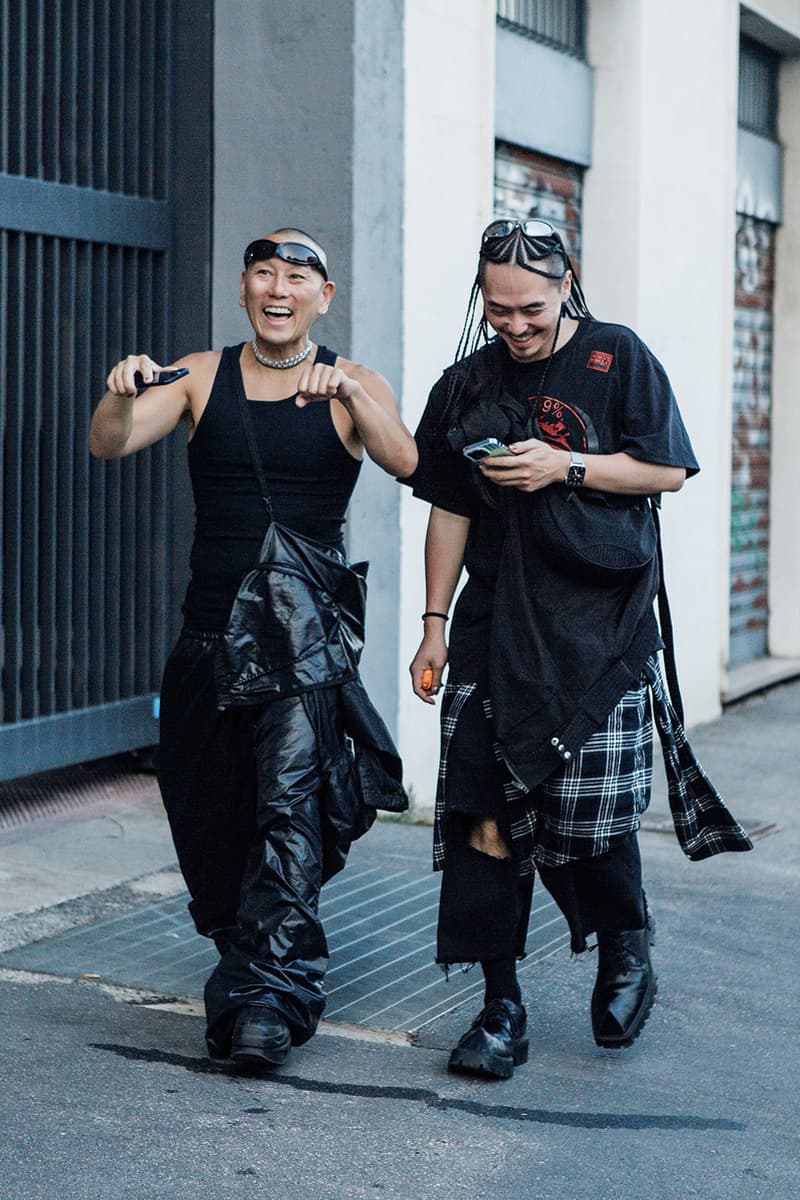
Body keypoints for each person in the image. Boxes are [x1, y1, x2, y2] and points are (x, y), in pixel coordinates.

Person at [405, 219, 752, 1080]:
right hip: (494, 630)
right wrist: (434, 625)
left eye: (529, 308)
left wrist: (564, 466)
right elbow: (448, 507)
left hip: (598, 626)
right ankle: (499, 1007)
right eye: (498, 310)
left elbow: (668, 471)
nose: (515, 326)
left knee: (587, 820)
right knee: (483, 814)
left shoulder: (616, 357)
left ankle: (626, 946)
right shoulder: (465, 383)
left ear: (566, 284)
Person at [90, 228, 417, 1066]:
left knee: (285, 819)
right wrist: (122, 390)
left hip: (299, 651)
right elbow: (110, 442)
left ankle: (266, 1006)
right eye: (264, 275)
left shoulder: (354, 383)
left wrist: (349, 391)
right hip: (207, 639)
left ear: (324, 296)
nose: (279, 289)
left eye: (297, 278)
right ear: (244, 290)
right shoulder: (201, 373)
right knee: (208, 817)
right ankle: (253, 963)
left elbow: (406, 459)